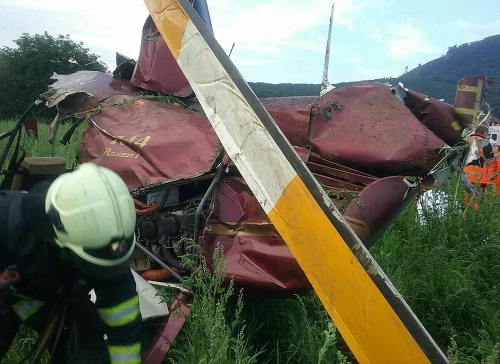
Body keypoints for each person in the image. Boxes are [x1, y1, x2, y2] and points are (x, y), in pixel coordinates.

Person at [0, 163, 141, 363]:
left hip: (49, 298)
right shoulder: (7, 222)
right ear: (58, 237)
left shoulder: (106, 245)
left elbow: (124, 322)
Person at [463, 125, 494, 209]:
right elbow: (489, 161)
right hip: (479, 178)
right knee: (478, 202)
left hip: (466, 176)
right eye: (487, 134)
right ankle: (476, 218)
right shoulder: (485, 143)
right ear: (484, 133)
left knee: (467, 200)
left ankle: (466, 218)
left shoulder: (466, 141)